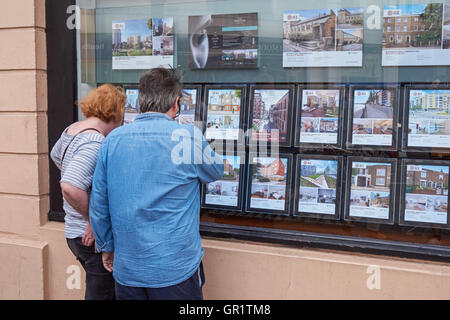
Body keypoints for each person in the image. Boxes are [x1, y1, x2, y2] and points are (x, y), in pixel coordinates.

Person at [89, 68, 224, 300]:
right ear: (176, 103)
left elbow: (99, 204)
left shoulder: (112, 141)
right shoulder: (188, 137)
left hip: (128, 268)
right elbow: (215, 171)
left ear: (140, 101)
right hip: (176, 270)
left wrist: (107, 246)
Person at [50, 84, 125, 300]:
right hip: (89, 236)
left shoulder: (72, 129)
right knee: (102, 294)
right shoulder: (95, 141)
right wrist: (92, 219)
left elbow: (57, 158)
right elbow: (70, 186)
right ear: (115, 112)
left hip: (73, 232)